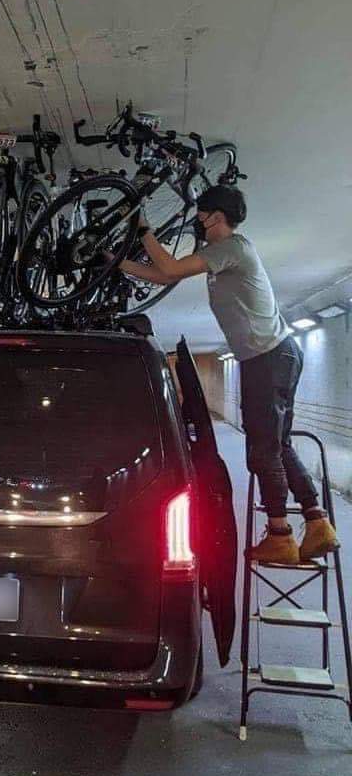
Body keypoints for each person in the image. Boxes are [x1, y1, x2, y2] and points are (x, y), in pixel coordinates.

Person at [117, 184, 339, 564]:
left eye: (200, 215)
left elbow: (169, 268)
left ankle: (280, 535)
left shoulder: (233, 248)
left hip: (267, 357)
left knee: (263, 449)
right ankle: (317, 522)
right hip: (271, 355)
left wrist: (143, 229)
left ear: (216, 216)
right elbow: (165, 277)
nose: (197, 221)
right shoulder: (220, 254)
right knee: (278, 445)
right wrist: (115, 262)